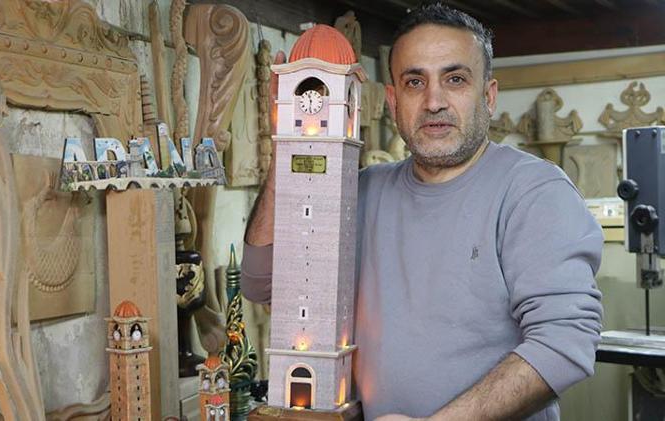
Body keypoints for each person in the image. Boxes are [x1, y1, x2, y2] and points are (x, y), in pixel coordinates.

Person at [241, 3, 603, 420]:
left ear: (488, 96)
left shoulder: (533, 192)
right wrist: (288, 146)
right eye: (415, 82)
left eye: (455, 79)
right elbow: (262, 285)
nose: (433, 101)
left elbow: (565, 343)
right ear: (393, 100)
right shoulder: (361, 192)